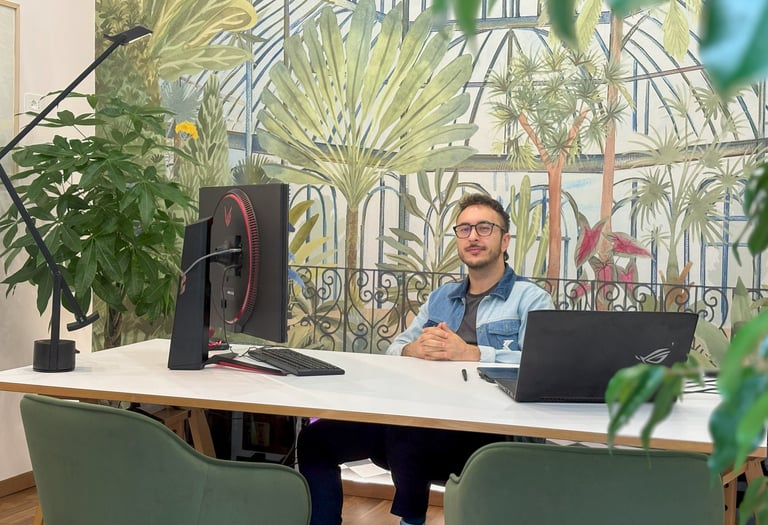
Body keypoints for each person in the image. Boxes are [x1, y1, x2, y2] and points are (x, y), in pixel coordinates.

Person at [297, 193, 554, 525]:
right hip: (422, 426)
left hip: (488, 434)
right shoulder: (441, 298)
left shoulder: (529, 298)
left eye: (484, 228)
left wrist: (474, 354)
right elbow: (395, 348)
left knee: (408, 423)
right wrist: (411, 349)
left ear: (505, 240)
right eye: (464, 229)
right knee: (316, 439)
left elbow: (541, 367)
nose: (473, 236)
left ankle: (411, 519)